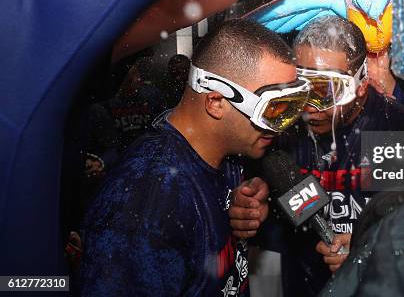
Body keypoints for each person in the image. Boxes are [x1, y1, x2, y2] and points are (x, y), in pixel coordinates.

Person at [0, 0, 365, 276]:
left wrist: (234, 211)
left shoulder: (391, 125)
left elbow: (169, 10)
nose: (305, 109)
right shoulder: (148, 197)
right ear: (217, 100)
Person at [80, 19, 312, 295]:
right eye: (274, 110)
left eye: (292, 107)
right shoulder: (148, 203)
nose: (285, 124)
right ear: (216, 102)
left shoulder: (227, 156)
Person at [232, 16, 404, 296]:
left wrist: (372, 252)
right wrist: (252, 209)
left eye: (327, 91)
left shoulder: (400, 130)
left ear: (361, 83)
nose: (312, 108)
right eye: (304, 88)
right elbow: (263, 207)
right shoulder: (282, 129)